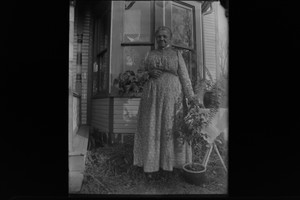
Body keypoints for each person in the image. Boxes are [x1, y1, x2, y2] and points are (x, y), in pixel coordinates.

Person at [133, 26, 201, 180]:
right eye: (159, 37)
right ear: (155, 39)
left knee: (170, 128)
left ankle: (172, 164)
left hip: (173, 98)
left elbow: (185, 78)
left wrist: (191, 98)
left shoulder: (177, 54)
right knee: (152, 127)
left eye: (165, 36)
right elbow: (139, 75)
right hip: (152, 98)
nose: (161, 39)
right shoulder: (149, 54)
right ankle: (150, 166)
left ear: (170, 38)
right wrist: (148, 73)